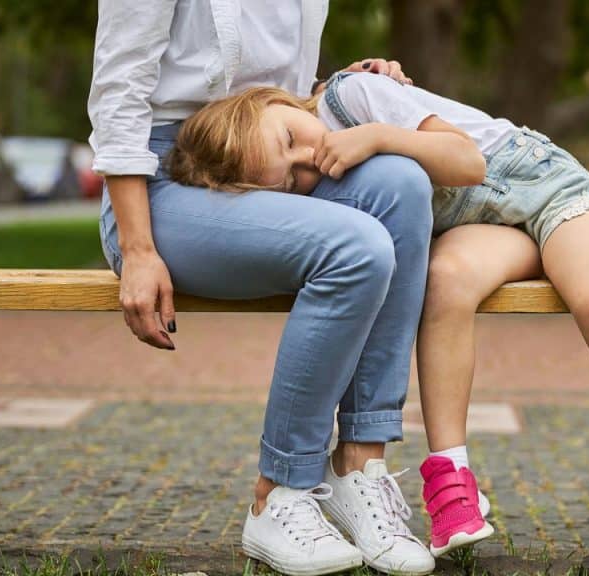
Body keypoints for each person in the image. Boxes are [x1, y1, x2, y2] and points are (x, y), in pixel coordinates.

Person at [167, 70, 589, 568]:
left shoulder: (353, 96)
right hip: (488, 227)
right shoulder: (321, 172)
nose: (310, 158)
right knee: (444, 284)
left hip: (548, 191)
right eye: (292, 180)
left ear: (277, 101)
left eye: (290, 138)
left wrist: (377, 136)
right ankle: (451, 481)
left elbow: (467, 163)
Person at [88, 3, 439, 575]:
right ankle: (279, 493)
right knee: (354, 248)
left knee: (400, 183)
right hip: (159, 184)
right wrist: (139, 249)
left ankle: (358, 466)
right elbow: (118, 91)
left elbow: (273, 87)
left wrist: (340, 89)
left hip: (271, 154)